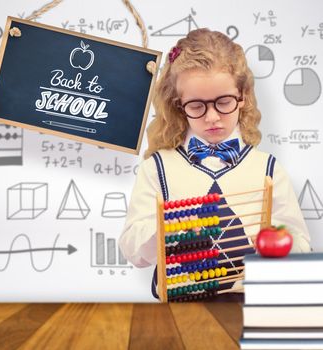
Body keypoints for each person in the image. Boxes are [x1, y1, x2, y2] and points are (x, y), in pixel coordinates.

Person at [118, 28, 311, 301]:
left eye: (224, 102)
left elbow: (300, 242)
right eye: (196, 106)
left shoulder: (267, 168)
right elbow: (133, 250)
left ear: (242, 97)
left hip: (250, 305)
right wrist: (168, 233)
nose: (212, 117)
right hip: (179, 307)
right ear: (178, 105)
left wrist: (276, 249)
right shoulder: (158, 168)